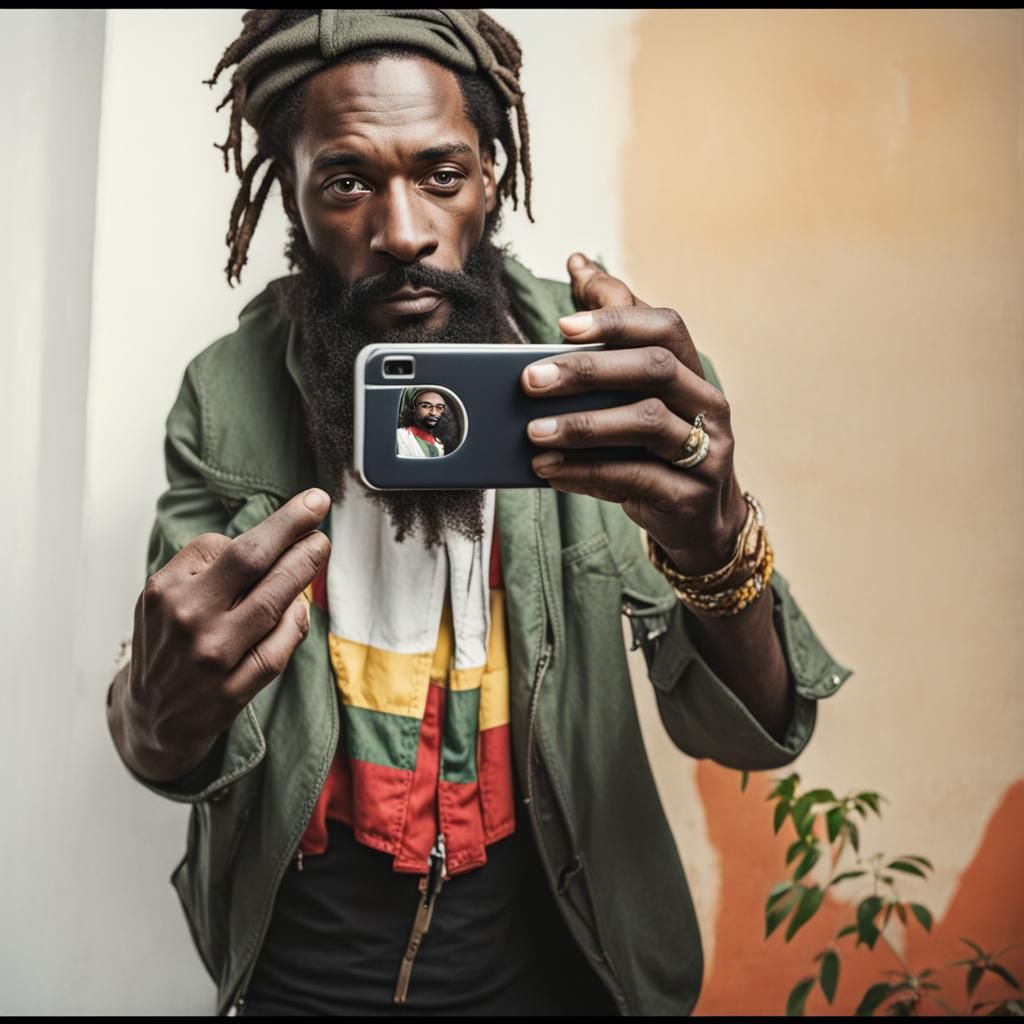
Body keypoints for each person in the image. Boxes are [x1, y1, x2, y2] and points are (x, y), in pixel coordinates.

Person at [105, 9, 853, 1018]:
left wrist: (712, 542)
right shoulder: (224, 396)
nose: (403, 231)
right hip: (301, 974)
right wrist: (153, 721)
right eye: (348, 180)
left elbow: (759, 736)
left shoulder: (612, 378)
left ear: (492, 176)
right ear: (294, 192)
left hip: (560, 957)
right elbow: (171, 715)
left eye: (440, 174)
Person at [396, 389, 448, 458]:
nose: (433, 413)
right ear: (413, 408)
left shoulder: (439, 444)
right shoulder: (400, 436)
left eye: (439, 407)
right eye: (425, 406)